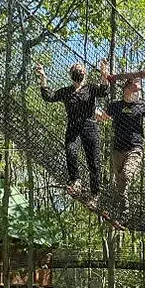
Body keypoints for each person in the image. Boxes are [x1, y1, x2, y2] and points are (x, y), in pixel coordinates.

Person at [36, 59, 110, 199]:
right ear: (71, 74)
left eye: (81, 70)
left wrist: (104, 72)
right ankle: (76, 181)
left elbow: (104, 90)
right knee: (71, 151)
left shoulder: (90, 88)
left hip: (89, 126)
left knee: (93, 162)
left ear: (85, 74)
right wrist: (43, 77)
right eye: (76, 70)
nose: (79, 72)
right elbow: (48, 96)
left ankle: (95, 195)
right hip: (73, 127)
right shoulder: (66, 91)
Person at [103, 76, 145, 221]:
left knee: (127, 175)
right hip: (117, 148)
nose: (139, 92)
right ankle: (123, 213)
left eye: (139, 90)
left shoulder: (141, 105)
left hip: (135, 148)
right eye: (136, 88)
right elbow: (102, 117)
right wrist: (91, 111)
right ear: (127, 88)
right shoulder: (115, 106)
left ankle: (118, 207)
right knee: (120, 182)